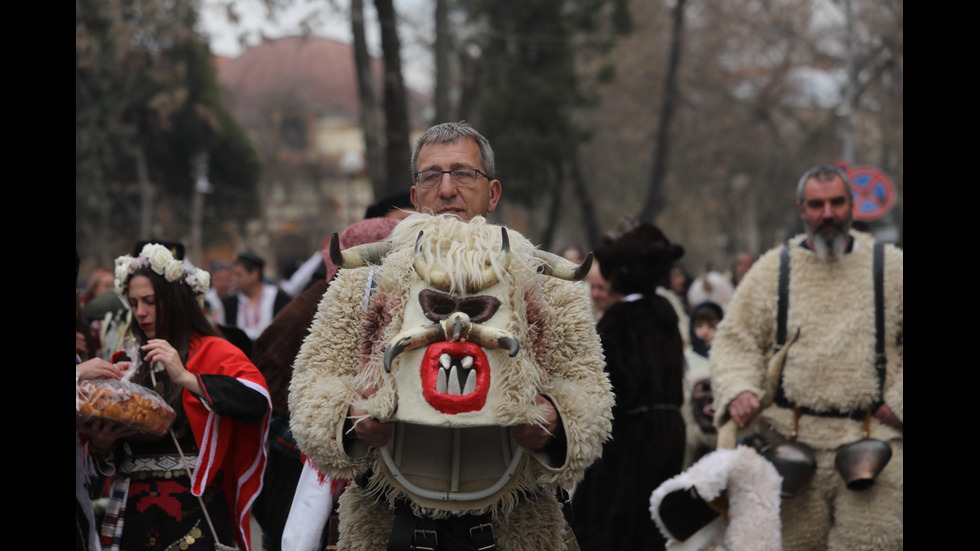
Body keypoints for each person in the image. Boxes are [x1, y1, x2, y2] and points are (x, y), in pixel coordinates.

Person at [288, 121, 613, 551]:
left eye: (462, 173)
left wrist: (558, 424)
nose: (446, 190)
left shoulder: (547, 284)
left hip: (516, 526)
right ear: (414, 195)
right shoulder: (364, 281)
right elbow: (311, 383)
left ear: (492, 192)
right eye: (430, 176)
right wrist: (349, 417)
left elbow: (589, 386)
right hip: (389, 526)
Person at [711, 165, 903, 550]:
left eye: (837, 202)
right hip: (789, 443)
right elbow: (735, 340)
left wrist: (898, 402)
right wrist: (740, 390)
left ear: (853, 206)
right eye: (817, 204)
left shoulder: (892, 267)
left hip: (874, 441)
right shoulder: (771, 270)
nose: (827, 213)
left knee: (875, 544)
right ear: (802, 209)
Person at [77, 243, 271, 551]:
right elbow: (111, 456)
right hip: (131, 514)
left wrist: (186, 377)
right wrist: (102, 445)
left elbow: (257, 401)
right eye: (134, 303)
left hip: (195, 511)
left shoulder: (212, 350)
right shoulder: (126, 363)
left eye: (150, 302)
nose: (140, 312)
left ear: (175, 300)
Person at [570, 223, 687, 551]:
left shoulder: (620, 320)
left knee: (613, 525)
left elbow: (609, 385)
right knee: (654, 526)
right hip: (670, 433)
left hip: (631, 440)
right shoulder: (665, 314)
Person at [681, 301, 723, 467]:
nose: (705, 332)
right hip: (693, 431)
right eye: (699, 326)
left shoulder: (726, 357)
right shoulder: (686, 357)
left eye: (712, 326)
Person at [222, 251, 291, 341]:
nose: (234, 279)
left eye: (239, 275)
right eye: (234, 275)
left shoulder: (279, 298)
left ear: (255, 274)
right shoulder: (230, 303)